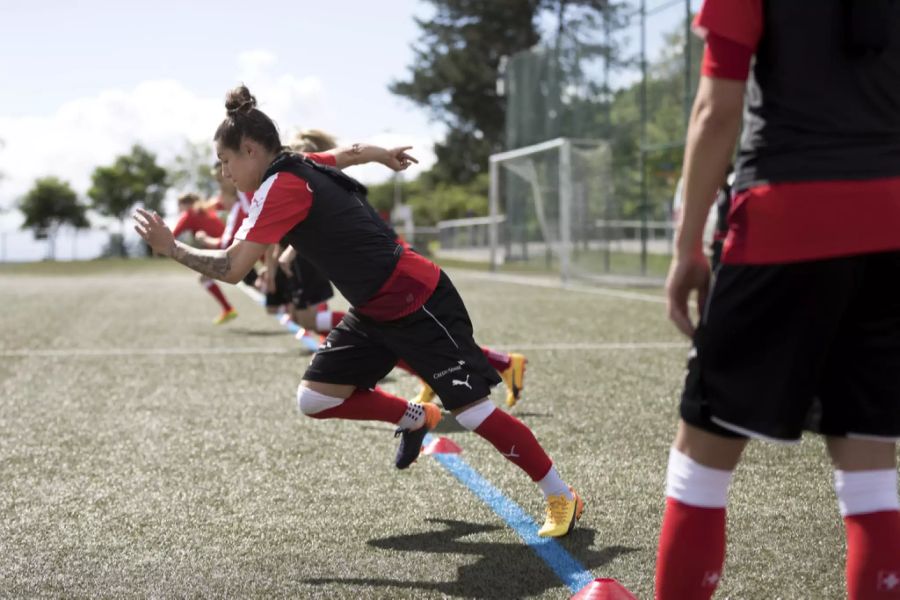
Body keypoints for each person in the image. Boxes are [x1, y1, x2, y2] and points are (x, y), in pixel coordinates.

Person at [134, 85, 583, 538]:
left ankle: (560, 494)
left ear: (250, 149)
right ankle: (416, 417)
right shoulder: (299, 164)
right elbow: (347, 153)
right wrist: (382, 153)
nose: (225, 172)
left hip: (418, 299)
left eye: (227, 160)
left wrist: (171, 247)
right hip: (373, 310)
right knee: (315, 398)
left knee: (471, 412)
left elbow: (232, 268)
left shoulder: (282, 184)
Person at [657, 1, 900, 598]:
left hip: (782, 220)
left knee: (702, 464)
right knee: (871, 469)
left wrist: (687, 250)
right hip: (892, 228)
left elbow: (717, 110)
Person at [171, 192, 237, 324]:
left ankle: (228, 309)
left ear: (186, 204)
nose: (179, 209)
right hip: (230, 246)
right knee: (205, 277)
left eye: (179, 205)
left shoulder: (189, 214)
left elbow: (173, 235)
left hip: (222, 250)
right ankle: (228, 308)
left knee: (252, 280)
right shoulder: (205, 211)